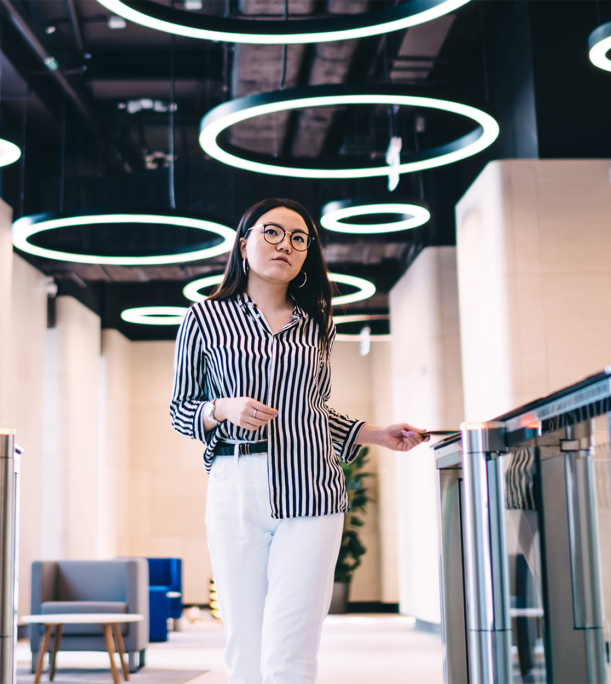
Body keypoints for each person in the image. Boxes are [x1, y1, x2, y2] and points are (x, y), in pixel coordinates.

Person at [170, 198, 427, 684]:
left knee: (291, 650)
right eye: (271, 233)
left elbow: (314, 411)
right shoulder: (203, 317)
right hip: (235, 486)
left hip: (312, 488)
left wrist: (376, 434)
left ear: (308, 253)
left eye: (299, 238)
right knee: (245, 647)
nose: (285, 245)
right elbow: (181, 411)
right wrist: (222, 408)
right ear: (243, 244)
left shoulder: (319, 324)